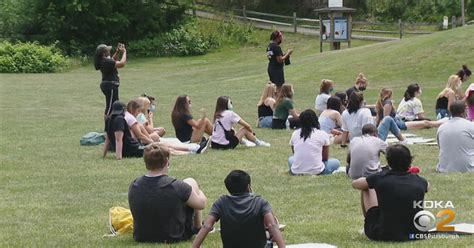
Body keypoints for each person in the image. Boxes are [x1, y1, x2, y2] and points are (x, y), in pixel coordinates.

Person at [128, 143, 207, 243]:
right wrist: (199, 192)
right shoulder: (177, 186)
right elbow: (201, 204)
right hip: (174, 236)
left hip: (141, 237)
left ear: (146, 163)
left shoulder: (134, 185)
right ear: (167, 162)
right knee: (191, 181)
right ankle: (198, 227)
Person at [352, 144, 429, 241]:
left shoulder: (379, 178)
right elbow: (427, 186)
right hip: (417, 232)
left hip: (385, 233)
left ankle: (368, 224)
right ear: (410, 160)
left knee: (366, 187)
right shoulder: (420, 181)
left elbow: (356, 184)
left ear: (389, 161)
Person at [192, 170, 285, 248]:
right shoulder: (260, 202)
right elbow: (272, 225)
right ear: (248, 187)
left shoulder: (221, 203)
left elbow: (207, 226)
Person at [341, 93, 406, 147]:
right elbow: (369, 131)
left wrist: (343, 145)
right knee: (388, 119)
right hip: (370, 141)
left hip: (355, 142)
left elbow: (345, 131)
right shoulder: (365, 111)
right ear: (361, 102)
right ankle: (402, 140)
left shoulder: (345, 113)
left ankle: (402, 140)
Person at [288, 109, 341, 175]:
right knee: (336, 162)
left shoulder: (295, 133)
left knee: (291, 159)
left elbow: (295, 153)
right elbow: (325, 158)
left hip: (296, 171)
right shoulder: (322, 134)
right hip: (317, 171)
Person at [376, 88, 444, 130]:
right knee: (425, 123)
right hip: (399, 124)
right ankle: (442, 124)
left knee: (426, 123)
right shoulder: (388, 103)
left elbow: (378, 117)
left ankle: (440, 123)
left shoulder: (381, 103)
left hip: (398, 122)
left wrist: (376, 126)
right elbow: (386, 119)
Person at [436, 101, 474, 173]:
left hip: (445, 168)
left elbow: (441, 147)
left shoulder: (441, 127)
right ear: (464, 111)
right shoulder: (470, 126)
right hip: (468, 167)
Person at [94, 43, 126, 116]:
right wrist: (124, 52)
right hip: (110, 86)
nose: (109, 51)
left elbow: (113, 60)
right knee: (110, 107)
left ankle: (112, 125)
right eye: (108, 50)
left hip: (109, 85)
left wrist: (117, 52)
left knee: (113, 105)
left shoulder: (104, 60)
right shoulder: (105, 61)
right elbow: (122, 64)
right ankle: (107, 126)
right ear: (104, 53)